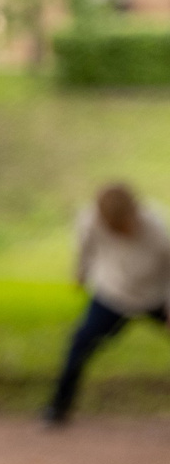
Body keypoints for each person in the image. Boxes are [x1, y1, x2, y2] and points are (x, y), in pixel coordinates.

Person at [42, 181, 170, 424]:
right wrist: (81, 272)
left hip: (156, 296)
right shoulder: (90, 219)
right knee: (79, 345)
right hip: (114, 293)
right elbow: (85, 247)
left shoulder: (157, 227)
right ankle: (58, 407)